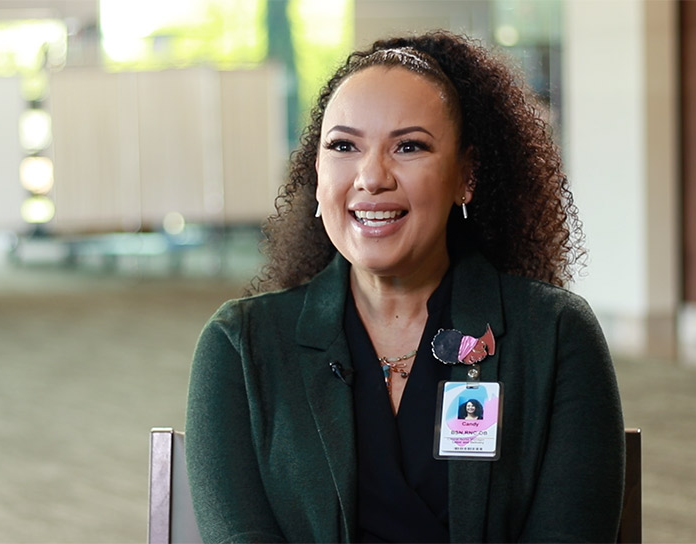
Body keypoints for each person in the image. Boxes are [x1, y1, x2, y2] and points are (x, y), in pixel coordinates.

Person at [186, 30, 624, 543]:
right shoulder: (241, 347)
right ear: (317, 173)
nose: (372, 177)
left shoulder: (554, 337)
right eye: (344, 146)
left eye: (409, 146)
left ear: (467, 175)